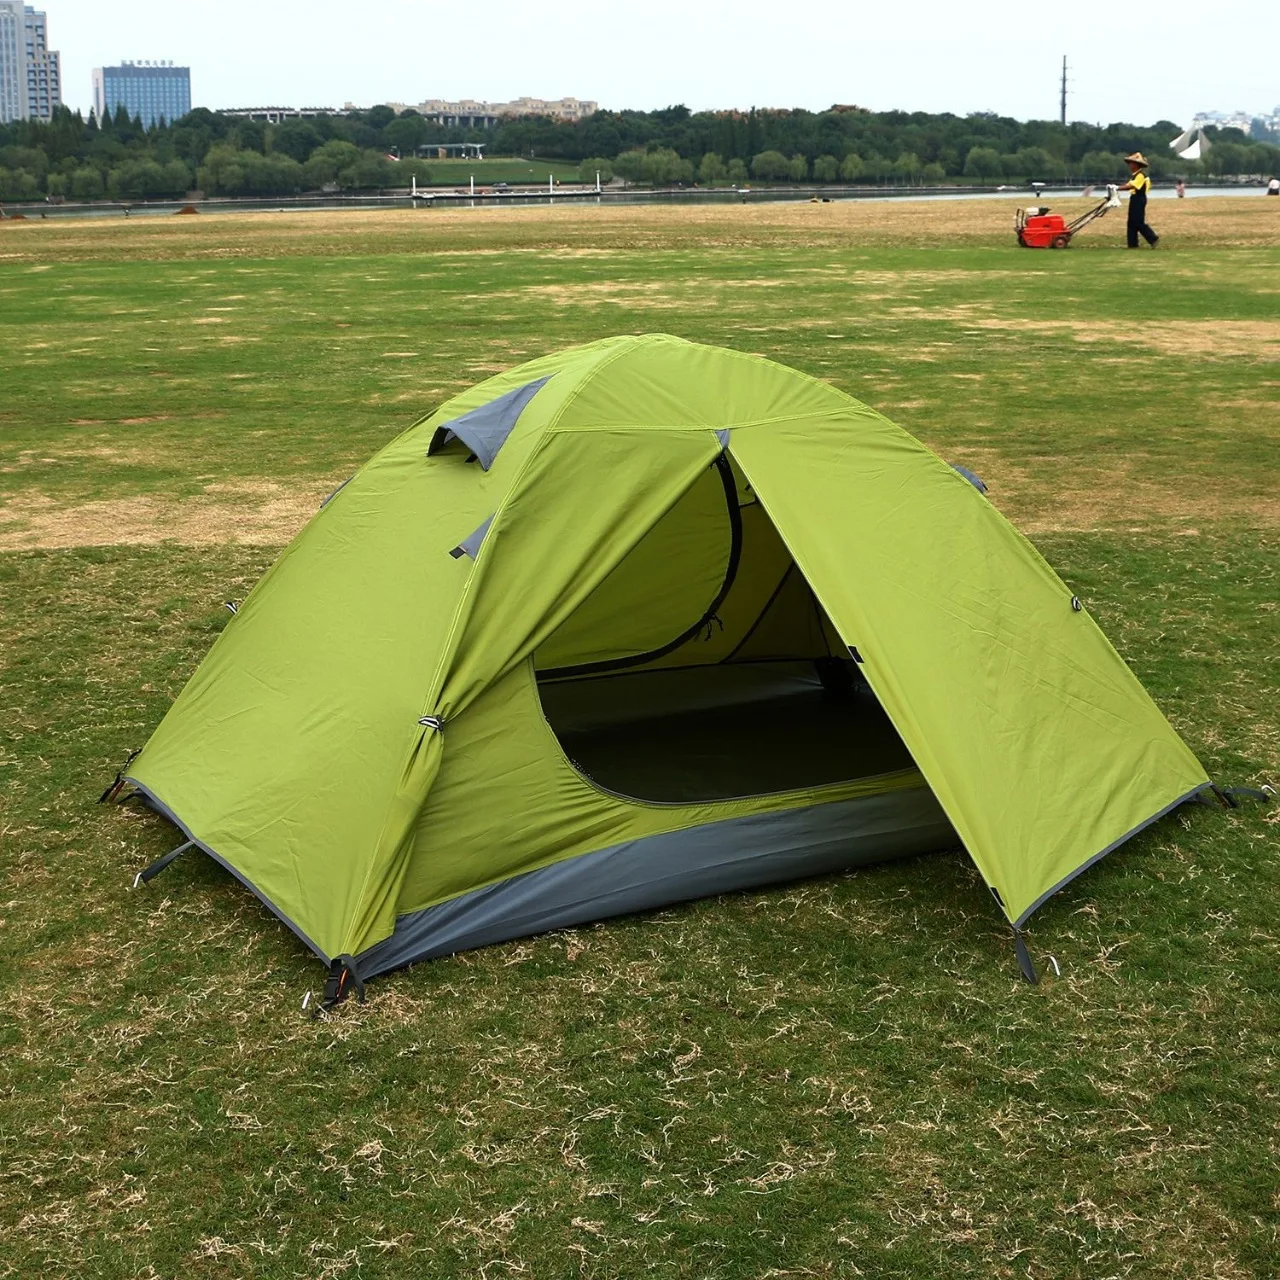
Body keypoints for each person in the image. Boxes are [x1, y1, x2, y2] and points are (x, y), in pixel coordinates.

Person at [1119, 152, 1158, 248]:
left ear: (1136, 164)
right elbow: (1128, 185)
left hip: (1139, 199)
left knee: (1138, 221)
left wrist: (1117, 188)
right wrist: (1117, 188)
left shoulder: (1140, 176)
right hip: (1134, 198)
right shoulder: (1135, 175)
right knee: (1131, 222)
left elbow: (1131, 186)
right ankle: (1132, 244)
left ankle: (1153, 238)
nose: (1130, 165)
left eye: (1131, 163)